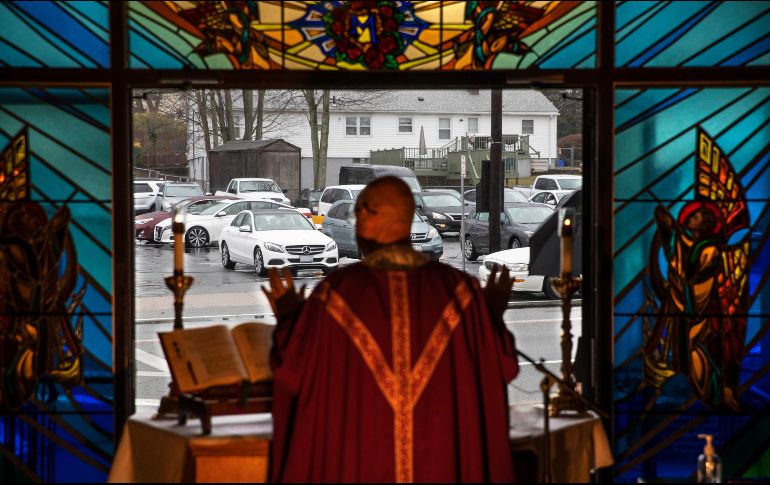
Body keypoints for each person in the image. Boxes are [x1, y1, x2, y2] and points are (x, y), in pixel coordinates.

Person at [263, 176, 519, 482]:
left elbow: (295, 371)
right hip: (441, 465)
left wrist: (291, 319)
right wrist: (489, 315)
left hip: (363, 464)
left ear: (370, 218)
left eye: (358, 215)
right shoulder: (462, 294)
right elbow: (498, 367)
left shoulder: (336, 296)